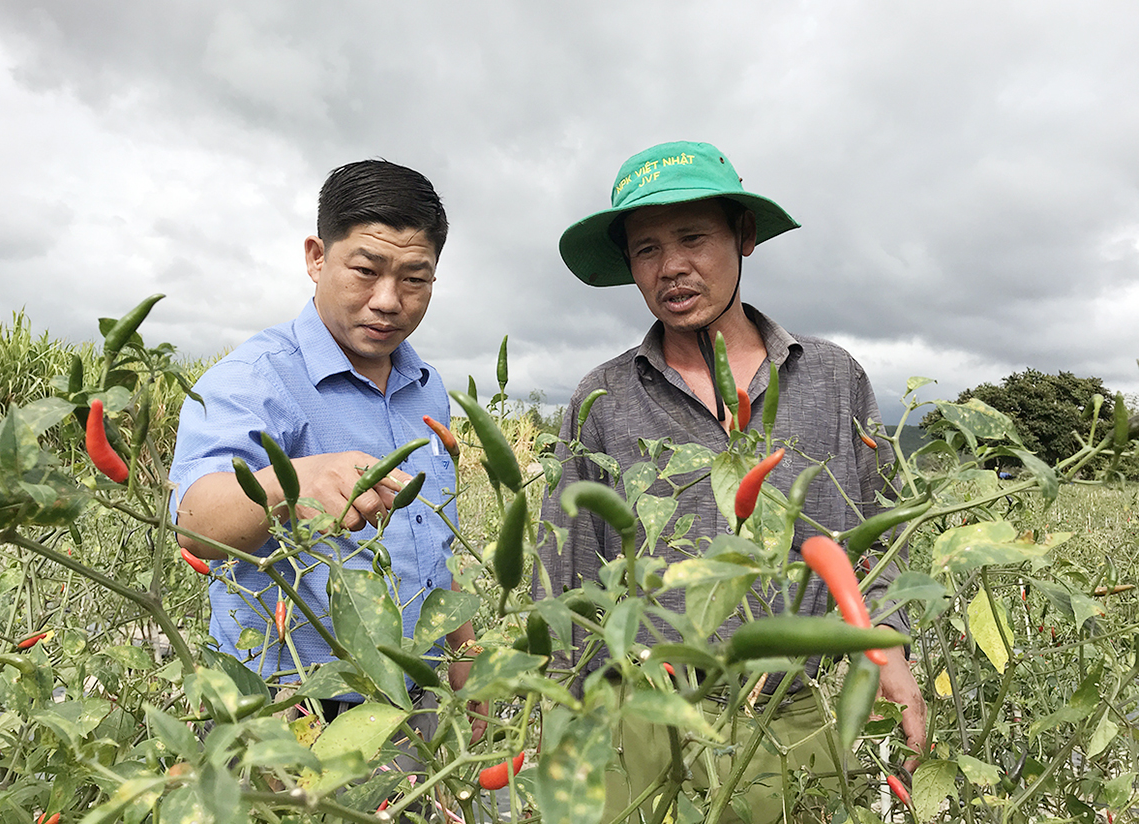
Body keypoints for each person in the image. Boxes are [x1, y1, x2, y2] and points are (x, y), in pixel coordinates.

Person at [540, 141, 925, 822]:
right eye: (647, 249)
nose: (673, 268)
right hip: (645, 710)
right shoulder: (602, 397)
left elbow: (875, 534)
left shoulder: (832, 379)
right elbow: (568, 568)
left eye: (693, 238)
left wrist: (887, 646)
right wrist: (565, 725)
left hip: (791, 711)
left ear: (743, 237)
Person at [169, 159, 481, 731]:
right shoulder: (256, 379)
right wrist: (293, 483)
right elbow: (194, 521)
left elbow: (434, 549)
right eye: (365, 269)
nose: (389, 300)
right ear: (317, 257)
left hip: (421, 696)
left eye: (415, 278)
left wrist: (467, 661)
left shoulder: (426, 388)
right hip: (292, 707)